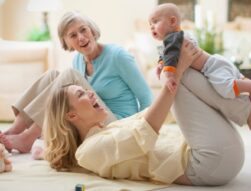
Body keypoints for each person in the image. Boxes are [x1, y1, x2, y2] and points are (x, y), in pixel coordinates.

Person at [43, 40, 251, 186]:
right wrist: (174, 72)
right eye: (81, 95)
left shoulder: (108, 127)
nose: (91, 94)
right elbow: (148, 128)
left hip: (213, 154)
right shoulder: (87, 152)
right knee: (179, 68)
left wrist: (170, 71)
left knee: (178, 64)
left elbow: (154, 113)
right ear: (71, 117)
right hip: (208, 165)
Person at [0, 11, 152, 154]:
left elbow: (146, 97)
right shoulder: (78, 60)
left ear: (92, 30)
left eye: (83, 30)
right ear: (67, 42)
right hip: (92, 120)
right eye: (73, 35)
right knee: (52, 75)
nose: (81, 37)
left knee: (69, 76)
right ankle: (13, 130)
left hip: (118, 125)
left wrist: (141, 131)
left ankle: (28, 138)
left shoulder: (117, 56)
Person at [148, 3, 251, 105]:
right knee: (236, 78)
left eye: (155, 22)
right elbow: (168, 53)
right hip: (216, 62)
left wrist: (169, 77)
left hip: (212, 67)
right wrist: (160, 63)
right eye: (150, 24)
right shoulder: (178, 37)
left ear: (172, 21)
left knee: (226, 89)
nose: (152, 27)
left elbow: (170, 56)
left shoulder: (173, 38)